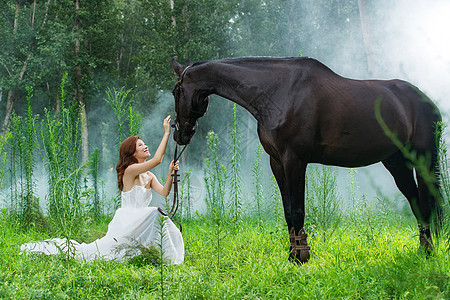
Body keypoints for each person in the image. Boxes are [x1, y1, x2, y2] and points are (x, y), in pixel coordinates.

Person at [20, 116, 184, 265]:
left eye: (144, 144)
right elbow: (157, 159)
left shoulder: (149, 175)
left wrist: (171, 173)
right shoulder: (130, 170)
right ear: (132, 153)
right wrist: (167, 132)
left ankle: (167, 258)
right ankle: (167, 259)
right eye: (140, 145)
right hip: (128, 220)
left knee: (161, 217)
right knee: (155, 213)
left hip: (142, 220)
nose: (146, 146)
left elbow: (164, 192)